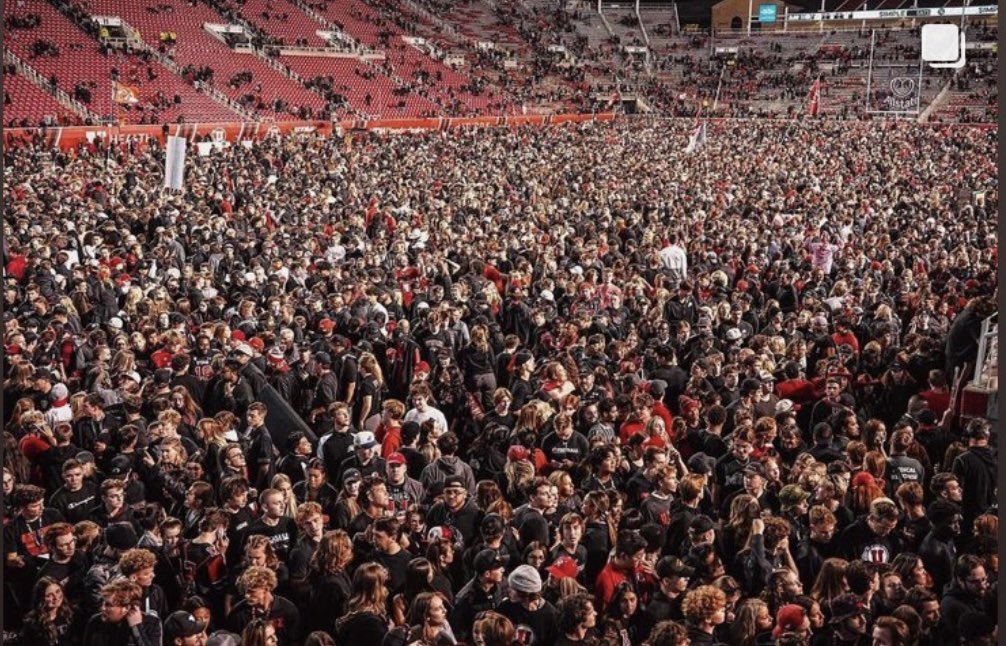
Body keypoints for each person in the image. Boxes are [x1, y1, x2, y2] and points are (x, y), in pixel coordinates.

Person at [225, 566, 300, 646]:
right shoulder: (238, 613)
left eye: (252, 592)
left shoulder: (288, 610)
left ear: (267, 588)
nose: (247, 596)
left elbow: (294, 641)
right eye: (246, 591)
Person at [82, 579, 162, 646]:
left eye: (108, 605)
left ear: (126, 608)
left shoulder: (151, 623)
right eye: (103, 603)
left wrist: (136, 627)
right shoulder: (95, 621)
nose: (102, 608)